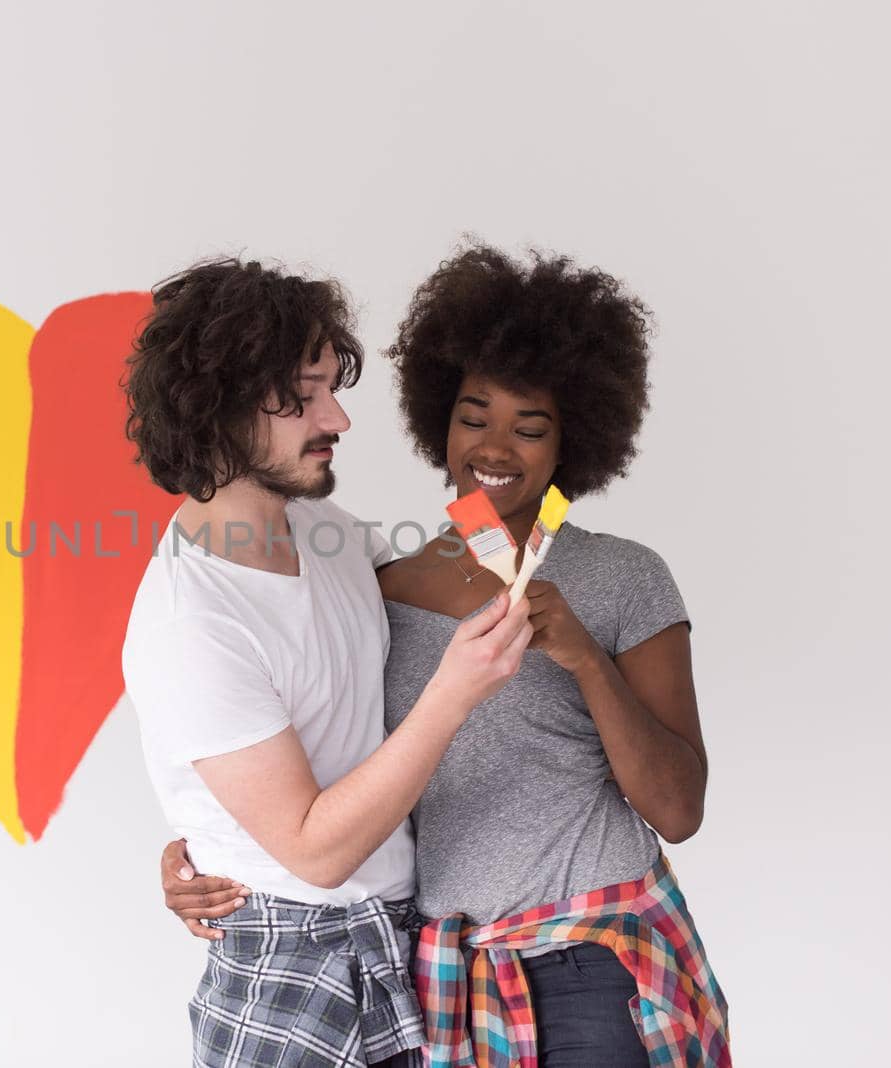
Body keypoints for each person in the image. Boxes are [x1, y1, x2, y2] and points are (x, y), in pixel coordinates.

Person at [161, 245, 730, 1067]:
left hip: (593, 962)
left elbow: (680, 809)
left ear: (572, 441)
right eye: (474, 417)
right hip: (442, 982)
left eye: (530, 427)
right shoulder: (376, 582)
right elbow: (315, 756)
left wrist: (582, 658)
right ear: (440, 422)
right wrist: (201, 857)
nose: (495, 447)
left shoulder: (624, 577)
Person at [120, 256, 535, 1068]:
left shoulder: (321, 526)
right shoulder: (191, 621)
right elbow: (313, 849)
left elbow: (440, 578)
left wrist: (522, 478)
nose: (338, 418)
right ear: (221, 411)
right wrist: (453, 695)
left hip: (395, 945)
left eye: (330, 389)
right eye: (305, 395)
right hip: (292, 973)